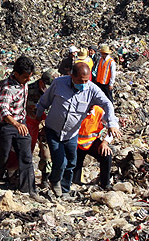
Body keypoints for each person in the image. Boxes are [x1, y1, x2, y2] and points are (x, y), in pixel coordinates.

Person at [36, 63, 121, 198]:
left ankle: (65, 189)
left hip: (72, 133)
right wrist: (37, 119)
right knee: (60, 161)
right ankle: (54, 180)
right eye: (80, 81)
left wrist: (112, 123)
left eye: (86, 81)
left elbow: (107, 104)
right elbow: (44, 101)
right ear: (71, 76)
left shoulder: (92, 89)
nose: (83, 84)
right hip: (53, 130)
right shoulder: (59, 83)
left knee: (71, 162)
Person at [0, 56, 40, 199]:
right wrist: (16, 124)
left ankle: (28, 190)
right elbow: (3, 111)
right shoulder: (7, 88)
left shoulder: (24, 82)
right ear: (17, 74)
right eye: (25, 77)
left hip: (20, 122)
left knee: (26, 155)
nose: (27, 80)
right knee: (3, 154)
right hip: (5, 125)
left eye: (29, 77)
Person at [26, 69, 59, 188]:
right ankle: (21, 177)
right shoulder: (29, 89)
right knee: (25, 151)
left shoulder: (58, 91)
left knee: (46, 154)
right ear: (41, 82)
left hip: (46, 125)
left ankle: (45, 179)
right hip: (29, 124)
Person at [74, 105, 114, 189]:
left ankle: (105, 184)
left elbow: (113, 125)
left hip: (92, 142)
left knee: (106, 155)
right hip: (75, 143)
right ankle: (75, 182)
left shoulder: (99, 111)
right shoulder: (75, 109)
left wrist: (105, 143)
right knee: (75, 165)